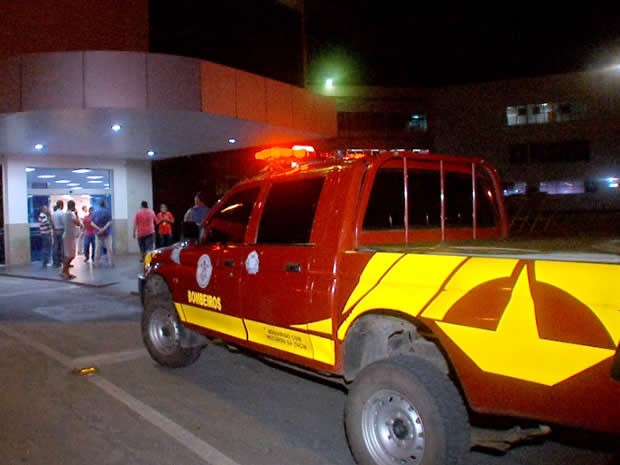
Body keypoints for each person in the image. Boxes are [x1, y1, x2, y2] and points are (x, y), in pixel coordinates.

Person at [60, 199, 81, 279]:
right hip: (69, 237)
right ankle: (64, 271)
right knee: (70, 256)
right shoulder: (70, 214)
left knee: (68, 255)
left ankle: (66, 271)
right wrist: (77, 214)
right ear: (73, 206)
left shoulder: (65, 214)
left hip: (68, 236)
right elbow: (78, 223)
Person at [92, 199, 113, 267]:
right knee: (109, 248)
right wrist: (104, 229)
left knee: (98, 248)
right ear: (105, 204)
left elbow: (92, 223)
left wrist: (99, 229)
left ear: (99, 204)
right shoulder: (107, 212)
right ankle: (110, 262)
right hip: (107, 233)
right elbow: (109, 222)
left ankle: (96, 263)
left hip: (98, 233)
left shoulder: (95, 212)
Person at [51, 199, 65, 267]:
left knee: (55, 247)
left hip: (55, 230)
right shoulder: (62, 213)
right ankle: (62, 260)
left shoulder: (54, 214)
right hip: (61, 230)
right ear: (61, 205)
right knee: (62, 246)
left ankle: (56, 262)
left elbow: (52, 223)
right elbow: (64, 223)